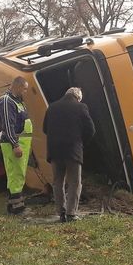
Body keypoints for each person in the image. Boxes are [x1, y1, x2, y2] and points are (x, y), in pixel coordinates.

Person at [43, 87, 95, 222]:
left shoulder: (52, 107)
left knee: (57, 182)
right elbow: (91, 129)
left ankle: (61, 213)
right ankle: (71, 213)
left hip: (54, 150)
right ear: (78, 97)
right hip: (73, 150)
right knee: (75, 182)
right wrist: (81, 142)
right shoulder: (81, 107)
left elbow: (44, 129)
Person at [0, 77, 33, 215]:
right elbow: (8, 125)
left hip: (22, 143)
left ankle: (17, 204)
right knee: (15, 174)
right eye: (24, 88)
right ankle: (16, 208)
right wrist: (15, 144)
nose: (25, 91)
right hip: (15, 143)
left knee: (19, 174)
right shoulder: (6, 101)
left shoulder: (17, 101)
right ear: (17, 86)